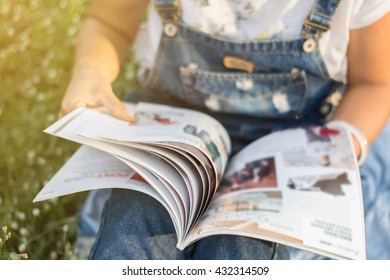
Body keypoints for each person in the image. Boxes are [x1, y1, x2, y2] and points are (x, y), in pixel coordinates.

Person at [60, 0, 390, 259]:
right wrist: (91, 70)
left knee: (241, 248)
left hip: (284, 147)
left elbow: (374, 84)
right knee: (136, 227)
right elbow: (109, 22)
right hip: (172, 139)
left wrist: (338, 148)